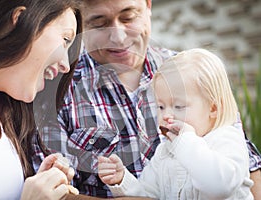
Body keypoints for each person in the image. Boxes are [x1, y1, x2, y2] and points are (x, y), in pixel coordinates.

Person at [35, 0, 261, 198]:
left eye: (128, 16)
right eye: (99, 23)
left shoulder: (192, 73)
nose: (118, 36)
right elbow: (58, 193)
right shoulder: (58, 90)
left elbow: (248, 168)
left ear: (148, 6)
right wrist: (122, 180)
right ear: (81, 23)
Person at [0, 0, 82, 199]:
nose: (65, 66)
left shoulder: (2, 109)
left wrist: (38, 187)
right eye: (65, 39)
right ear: (20, 19)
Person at [98, 48, 254, 199]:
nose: (166, 115)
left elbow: (219, 187)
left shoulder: (227, 139)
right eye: (161, 106)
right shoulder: (165, 151)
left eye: (179, 106)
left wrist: (187, 141)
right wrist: (123, 180)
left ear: (213, 108)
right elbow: (147, 195)